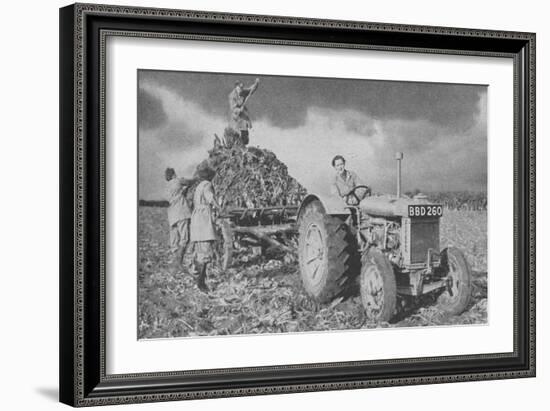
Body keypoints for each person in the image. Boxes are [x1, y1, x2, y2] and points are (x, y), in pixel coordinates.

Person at [189, 164, 218, 292]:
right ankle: (201, 283)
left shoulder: (198, 186)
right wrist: (219, 207)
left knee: (200, 249)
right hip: (203, 219)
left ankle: (197, 275)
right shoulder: (207, 185)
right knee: (205, 251)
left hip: (197, 219)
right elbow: (210, 198)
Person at [165, 168, 195, 272]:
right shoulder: (178, 181)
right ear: (173, 174)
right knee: (184, 238)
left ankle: (174, 265)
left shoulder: (167, 186)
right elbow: (190, 181)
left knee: (174, 240)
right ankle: (179, 263)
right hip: (181, 212)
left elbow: (177, 194)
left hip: (171, 215)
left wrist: (183, 190)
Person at [228, 78, 260, 145]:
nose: (241, 90)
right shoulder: (232, 96)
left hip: (243, 117)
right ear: (236, 87)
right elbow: (232, 108)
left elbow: (251, 89)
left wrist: (256, 84)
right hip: (236, 117)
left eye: (242, 88)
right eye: (240, 88)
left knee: (245, 135)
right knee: (235, 134)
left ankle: (243, 145)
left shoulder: (243, 92)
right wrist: (239, 110)